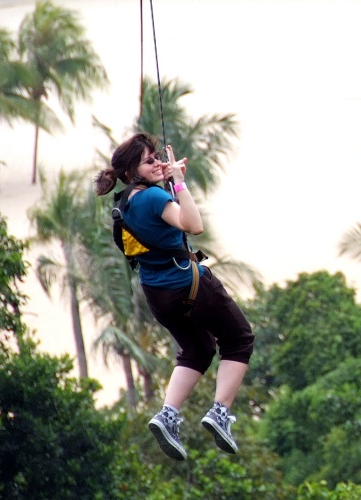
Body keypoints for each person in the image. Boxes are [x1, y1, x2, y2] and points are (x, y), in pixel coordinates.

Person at [93, 133, 254, 460]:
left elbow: (160, 230)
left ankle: (168, 414)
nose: (157, 163)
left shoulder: (126, 204)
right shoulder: (153, 198)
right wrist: (179, 182)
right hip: (188, 284)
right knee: (239, 339)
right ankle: (220, 412)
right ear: (130, 172)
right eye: (149, 160)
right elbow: (193, 225)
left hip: (158, 297)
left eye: (157, 158)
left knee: (197, 350)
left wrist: (168, 180)